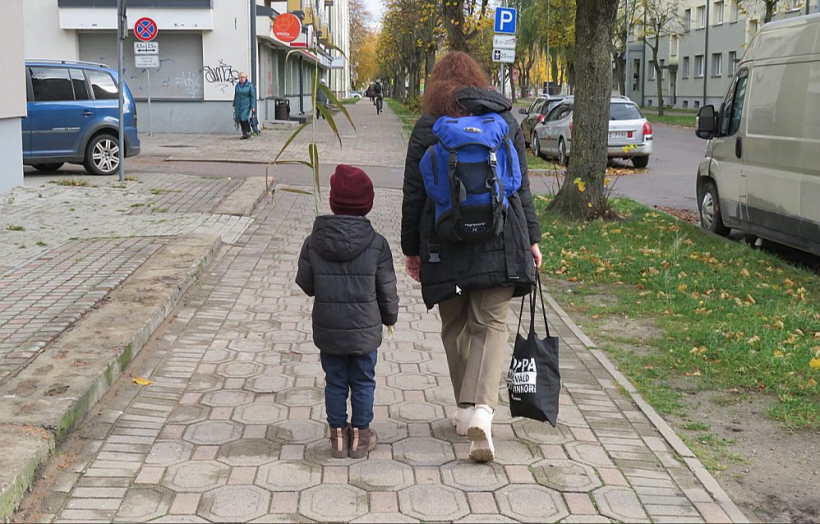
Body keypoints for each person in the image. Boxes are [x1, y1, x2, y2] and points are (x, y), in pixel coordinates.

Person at [400, 52, 543, 463]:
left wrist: (412, 250)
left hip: (444, 242)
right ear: (477, 81)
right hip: (500, 237)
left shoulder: (428, 127)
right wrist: (532, 238)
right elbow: (522, 189)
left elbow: (413, 195)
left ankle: (465, 412)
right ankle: (482, 408)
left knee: (455, 324)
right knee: (491, 323)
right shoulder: (503, 120)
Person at [296, 165, 400, 459]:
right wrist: (390, 317)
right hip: (365, 330)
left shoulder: (314, 241)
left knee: (335, 380)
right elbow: (386, 289)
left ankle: (337, 437)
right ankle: (362, 438)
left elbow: (306, 284)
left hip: (329, 328)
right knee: (364, 380)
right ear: (367, 205)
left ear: (332, 202)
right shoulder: (377, 244)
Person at [233, 72, 257, 139]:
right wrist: (234, 104)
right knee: (239, 118)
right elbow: (236, 95)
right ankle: (244, 134)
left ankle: (248, 131)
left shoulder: (250, 86)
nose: (241, 79)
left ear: (246, 78)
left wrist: (253, 107)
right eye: (240, 77)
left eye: (242, 77)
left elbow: (252, 97)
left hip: (246, 105)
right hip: (238, 105)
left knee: (244, 118)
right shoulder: (237, 86)